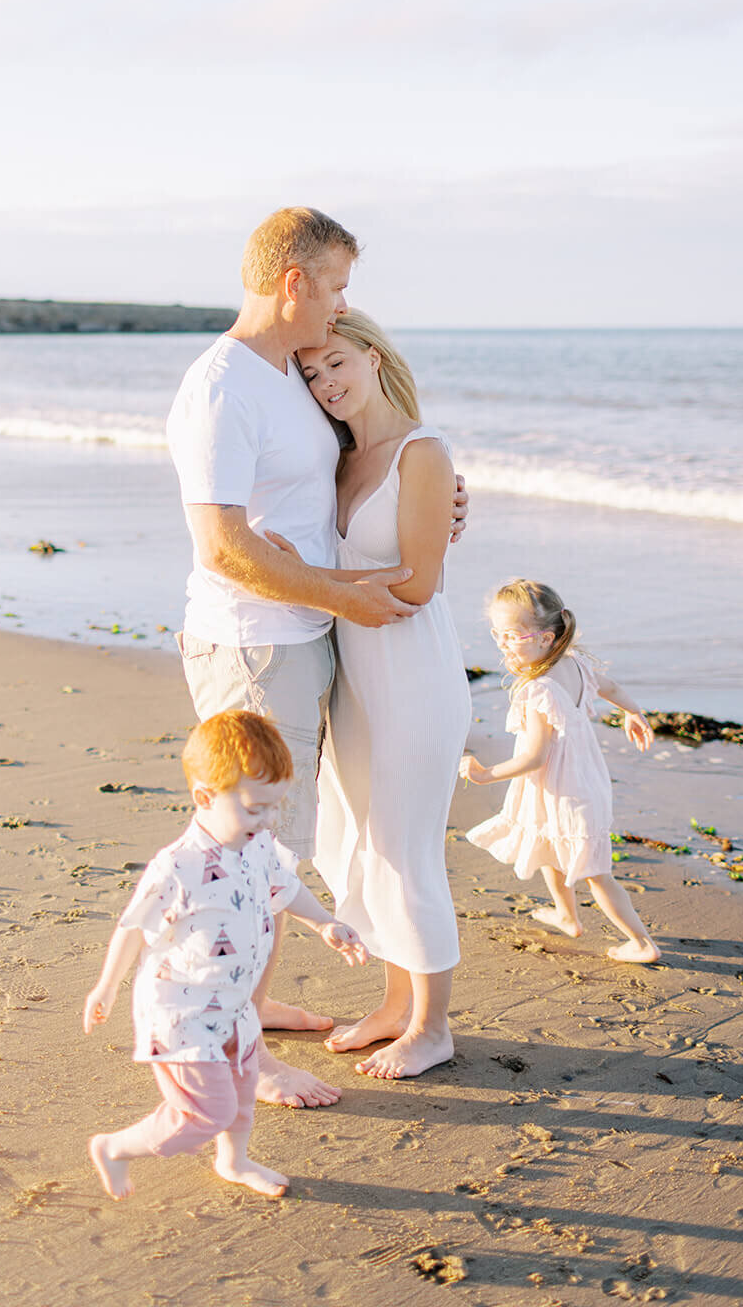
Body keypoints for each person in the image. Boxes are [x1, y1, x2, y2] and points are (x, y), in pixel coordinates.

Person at [166, 206, 467, 1108]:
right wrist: (347, 594)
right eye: (335, 285)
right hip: (258, 647)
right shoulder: (223, 384)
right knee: (253, 850)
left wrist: (439, 498)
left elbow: (364, 462)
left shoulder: (284, 377)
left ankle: (254, 1005)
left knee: (289, 848)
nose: (342, 307)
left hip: (310, 644)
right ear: (294, 282)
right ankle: (241, 1050)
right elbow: (218, 546)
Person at [271, 310, 471, 1079]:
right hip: (355, 683)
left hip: (415, 677)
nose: (325, 385)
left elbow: (418, 585)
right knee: (359, 841)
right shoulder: (342, 458)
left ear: (373, 355)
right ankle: (393, 1005)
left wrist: (307, 577)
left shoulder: (422, 453)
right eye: (312, 376)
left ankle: (432, 1026)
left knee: (406, 850)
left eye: (334, 365)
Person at [83, 710, 367, 1201]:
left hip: (235, 1005)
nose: (269, 821)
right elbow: (132, 927)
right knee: (203, 1112)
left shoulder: (257, 845)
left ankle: (233, 1161)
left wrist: (324, 921)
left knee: (242, 1088)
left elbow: (286, 888)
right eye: (257, 808)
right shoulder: (180, 866)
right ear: (205, 798)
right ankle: (114, 1147)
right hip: (183, 1015)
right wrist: (105, 987)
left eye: (276, 807)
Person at [461, 579, 660, 963]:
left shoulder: (540, 690)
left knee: (596, 873)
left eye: (513, 636)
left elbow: (534, 757)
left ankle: (641, 943)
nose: (502, 644)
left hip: (568, 792)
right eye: (497, 634)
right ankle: (567, 915)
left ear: (546, 638)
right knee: (549, 846)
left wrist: (485, 774)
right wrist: (633, 711)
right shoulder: (577, 664)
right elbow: (612, 687)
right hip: (574, 782)